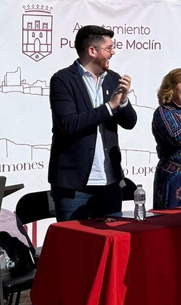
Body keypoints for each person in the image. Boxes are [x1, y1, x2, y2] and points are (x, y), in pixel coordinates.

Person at [48, 25, 138, 221]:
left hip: (110, 182)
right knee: (74, 239)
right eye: (109, 48)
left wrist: (123, 102)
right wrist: (109, 107)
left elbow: (130, 122)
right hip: (74, 185)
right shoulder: (63, 80)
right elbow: (69, 124)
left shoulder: (113, 78)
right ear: (92, 50)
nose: (113, 52)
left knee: (111, 239)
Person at [151, 68, 181, 209]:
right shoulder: (164, 112)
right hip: (175, 178)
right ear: (172, 88)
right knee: (172, 219)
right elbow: (178, 137)